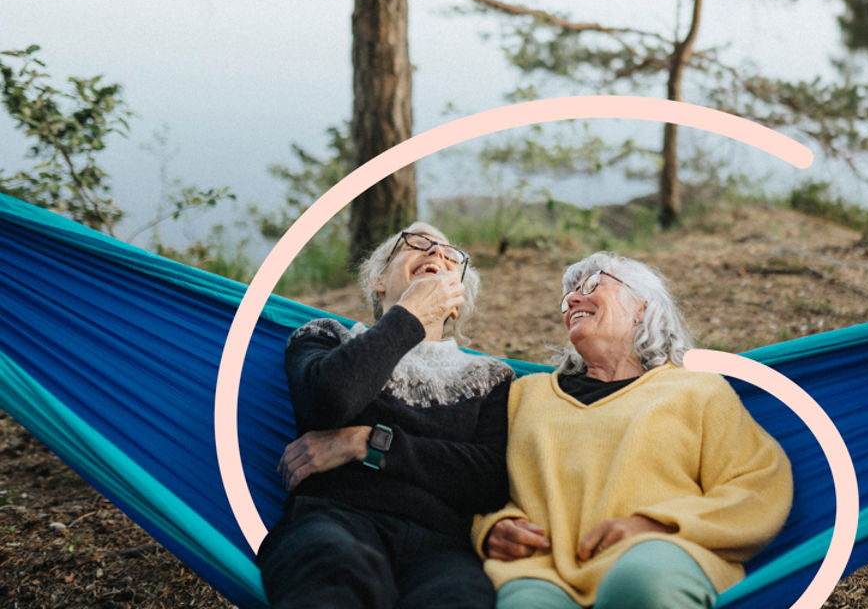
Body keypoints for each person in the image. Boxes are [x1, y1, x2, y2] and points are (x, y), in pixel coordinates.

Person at [475, 252, 792, 609]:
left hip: (658, 557)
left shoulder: (697, 390)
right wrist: (491, 528)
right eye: (568, 297)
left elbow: (759, 483)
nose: (573, 300)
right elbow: (475, 484)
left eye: (593, 285)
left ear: (642, 307)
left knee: (639, 584)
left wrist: (658, 526)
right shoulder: (523, 395)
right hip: (544, 571)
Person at [257, 222, 514, 609]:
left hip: (444, 548)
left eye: (449, 254)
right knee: (332, 576)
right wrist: (410, 313)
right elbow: (330, 401)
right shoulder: (327, 339)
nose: (436, 254)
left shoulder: (490, 378)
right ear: (378, 280)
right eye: (416, 244)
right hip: (336, 522)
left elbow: (489, 479)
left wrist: (366, 443)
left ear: (456, 301)